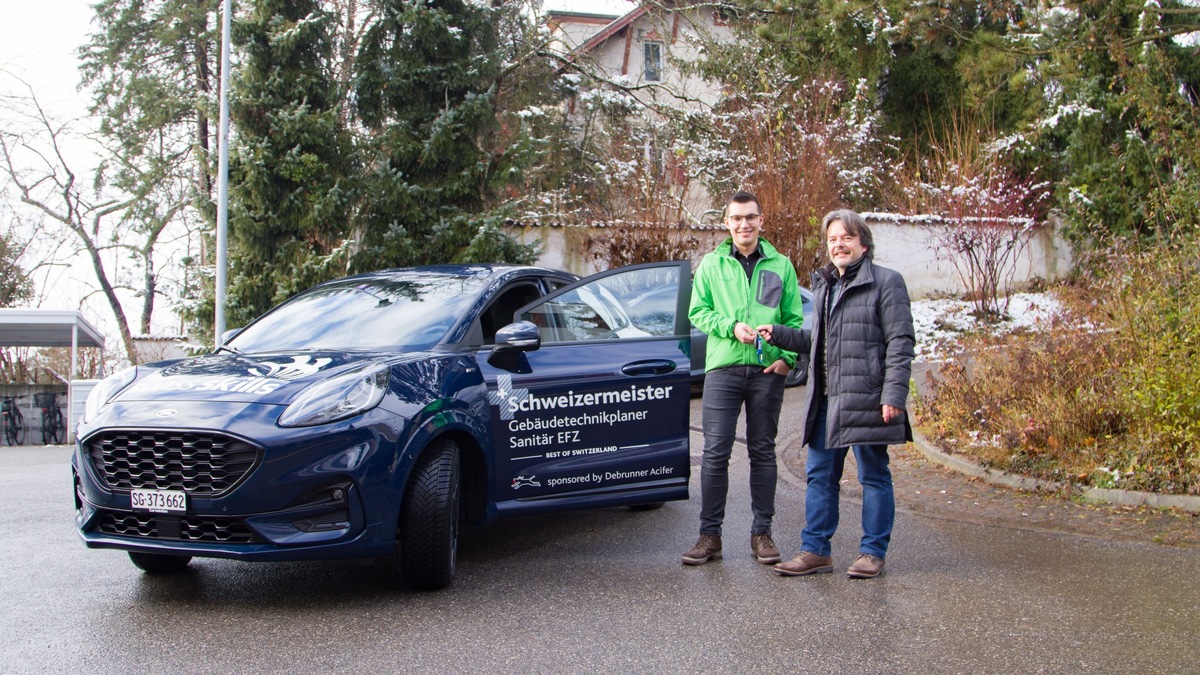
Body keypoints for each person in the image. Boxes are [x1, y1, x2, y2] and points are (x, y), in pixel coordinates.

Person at [757, 208, 914, 579]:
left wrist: (893, 394)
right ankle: (816, 551)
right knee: (819, 475)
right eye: (832, 239)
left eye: (846, 237)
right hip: (827, 399)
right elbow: (823, 343)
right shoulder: (828, 284)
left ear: (863, 242)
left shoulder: (887, 282)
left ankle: (872, 553)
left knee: (873, 475)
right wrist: (780, 334)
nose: (838, 245)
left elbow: (900, 342)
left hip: (868, 398)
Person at [682, 190, 805, 566]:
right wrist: (730, 326)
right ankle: (710, 535)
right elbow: (697, 312)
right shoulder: (711, 264)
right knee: (716, 453)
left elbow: (794, 320)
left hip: (767, 371)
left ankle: (762, 533)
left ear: (761, 221)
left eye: (750, 217)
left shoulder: (781, 265)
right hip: (723, 368)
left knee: (762, 452)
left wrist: (786, 359)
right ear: (727, 223)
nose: (743, 224)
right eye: (736, 218)